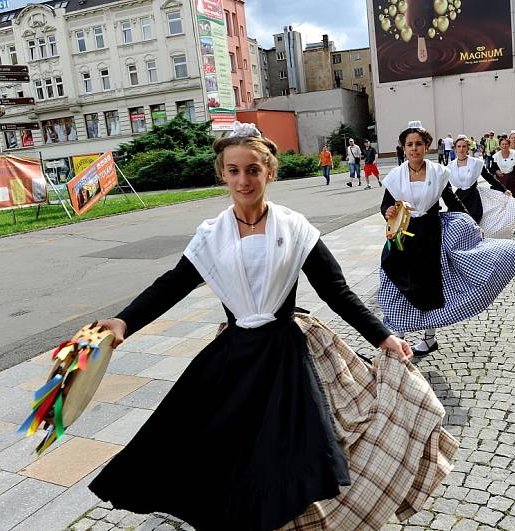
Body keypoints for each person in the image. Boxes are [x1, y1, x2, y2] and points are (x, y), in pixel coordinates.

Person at [88, 122, 457, 530]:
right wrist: (125, 321)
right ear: (222, 173)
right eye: (233, 170)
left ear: (270, 172)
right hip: (235, 357)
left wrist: (383, 337)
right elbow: (172, 284)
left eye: (252, 170)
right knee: (221, 457)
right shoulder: (211, 234)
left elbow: (337, 291)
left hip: (288, 355)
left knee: (295, 457)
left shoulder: (295, 227)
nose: (243, 180)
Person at [379, 121, 515, 355]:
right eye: (409, 144)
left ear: (427, 146)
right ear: (403, 147)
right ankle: (397, 332)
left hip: (431, 235)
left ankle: (429, 337)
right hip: (404, 234)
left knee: (430, 284)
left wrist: (473, 225)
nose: (414, 149)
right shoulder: (395, 177)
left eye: (418, 144)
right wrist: (388, 212)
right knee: (394, 275)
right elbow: (386, 206)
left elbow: (452, 202)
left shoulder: (438, 173)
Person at [448, 134, 515, 236]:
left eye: (464, 146)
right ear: (455, 148)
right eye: (459, 146)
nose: (461, 149)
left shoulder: (476, 163)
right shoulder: (450, 166)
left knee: (473, 222)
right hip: (459, 197)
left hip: (473, 198)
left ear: (468, 148)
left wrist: (503, 190)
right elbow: (446, 187)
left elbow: (489, 177)